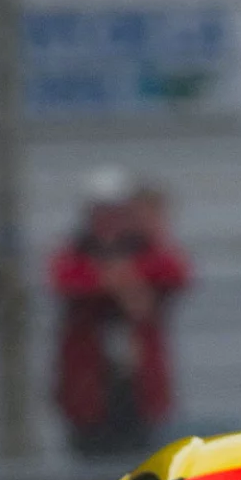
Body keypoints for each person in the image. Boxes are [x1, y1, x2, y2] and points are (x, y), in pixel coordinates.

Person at [51, 168, 188, 459]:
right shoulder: (77, 250)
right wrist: (122, 282)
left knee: (142, 457)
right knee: (90, 454)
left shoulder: (146, 249)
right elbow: (67, 279)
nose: (109, 223)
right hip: (88, 386)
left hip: (139, 386)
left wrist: (120, 277)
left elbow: (174, 273)